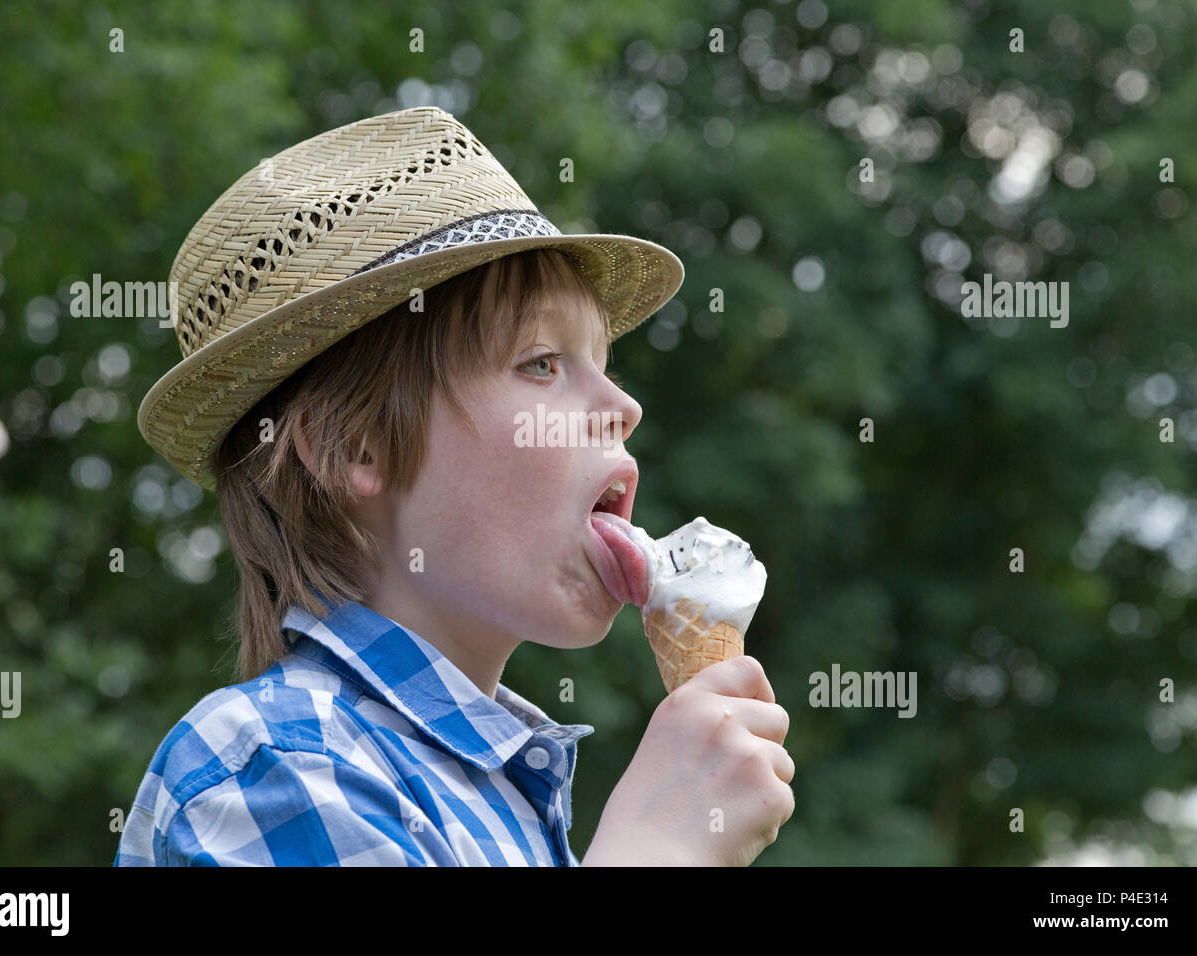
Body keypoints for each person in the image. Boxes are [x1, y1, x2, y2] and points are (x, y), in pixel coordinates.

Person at [115, 106, 794, 866]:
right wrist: (658, 847)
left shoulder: (506, 797)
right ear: (353, 448)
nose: (623, 407)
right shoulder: (276, 767)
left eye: (605, 363)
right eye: (542, 362)